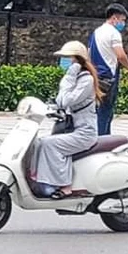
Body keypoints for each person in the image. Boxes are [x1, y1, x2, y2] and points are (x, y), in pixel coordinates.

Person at [33, 41, 101, 199]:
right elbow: (60, 102)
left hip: (84, 133)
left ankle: (65, 187)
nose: (63, 61)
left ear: (77, 60)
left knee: (49, 144)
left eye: (67, 57)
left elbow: (65, 100)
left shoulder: (86, 80)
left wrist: (69, 76)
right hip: (73, 129)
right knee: (38, 143)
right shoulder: (76, 78)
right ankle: (41, 180)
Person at [89, 3, 128, 136]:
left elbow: (88, 52)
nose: (123, 23)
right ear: (114, 18)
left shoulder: (96, 32)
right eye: (122, 20)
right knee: (106, 111)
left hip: (95, 75)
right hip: (108, 77)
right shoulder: (114, 33)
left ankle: (103, 137)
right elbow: (120, 55)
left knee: (99, 110)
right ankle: (102, 140)